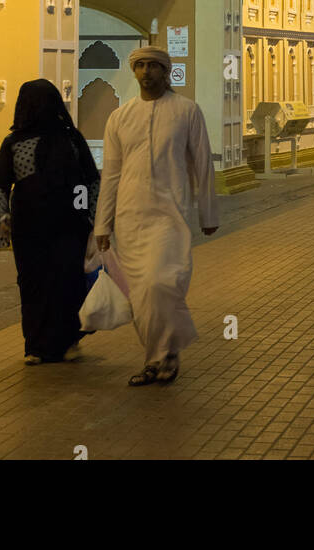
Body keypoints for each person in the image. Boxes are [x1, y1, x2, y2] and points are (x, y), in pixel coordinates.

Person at [94, 46, 218, 386]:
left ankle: (164, 353)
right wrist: (102, 223)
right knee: (142, 293)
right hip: (130, 216)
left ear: (167, 72)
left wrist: (208, 213)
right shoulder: (120, 117)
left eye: (153, 66)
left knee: (161, 282)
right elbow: (112, 174)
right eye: (140, 66)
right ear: (134, 72)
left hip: (170, 214)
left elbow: (203, 165)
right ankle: (161, 358)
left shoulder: (187, 111)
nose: (146, 72)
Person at [0, 79, 100, 364]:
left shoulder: (72, 139)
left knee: (65, 281)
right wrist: (2, 218)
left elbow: (88, 181)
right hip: (33, 227)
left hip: (66, 225)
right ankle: (36, 346)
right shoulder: (14, 143)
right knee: (36, 283)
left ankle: (66, 340)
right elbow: (2, 184)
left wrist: (91, 221)